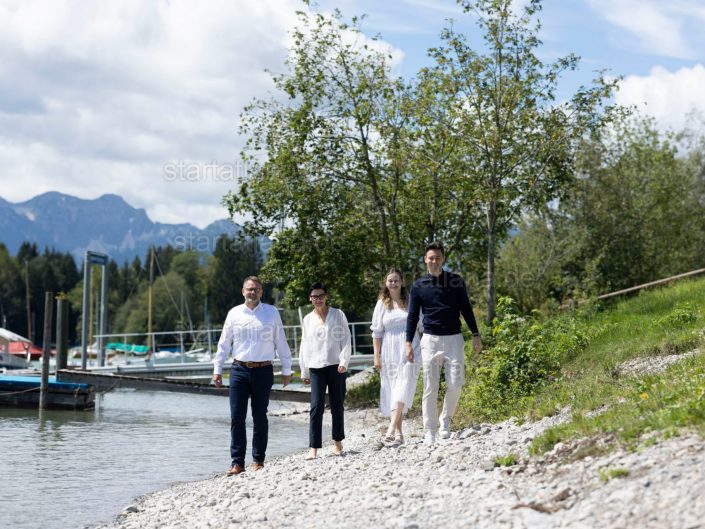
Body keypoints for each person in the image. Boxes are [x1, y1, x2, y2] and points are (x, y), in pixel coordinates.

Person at [212, 276, 292, 476]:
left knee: (260, 417)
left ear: (261, 292)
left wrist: (286, 369)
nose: (252, 292)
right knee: (237, 417)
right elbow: (224, 343)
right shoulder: (234, 313)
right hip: (239, 370)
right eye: (249, 289)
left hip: (263, 370)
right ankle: (237, 463)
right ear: (243, 291)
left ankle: (258, 460)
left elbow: (281, 341)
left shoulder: (271, 313)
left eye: (256, 289)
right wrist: (217, 369)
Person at [405, 242, 482, 445]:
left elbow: (466, 308)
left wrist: (475, 334)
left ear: (443, 259)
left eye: (437, 257)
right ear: (425, 260)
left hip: (454, 339)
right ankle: (429, 430)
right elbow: (412, 316)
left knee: (456, 383)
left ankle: (445, 421)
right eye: (431, 258)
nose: (434, 261)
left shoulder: (456, 281)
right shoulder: (418, 286)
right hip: (430, 340)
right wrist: (408, 342)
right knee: (430, 387)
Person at [299, 282, 351, 459]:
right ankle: (313, 447)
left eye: (321, 295)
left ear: (326, 296)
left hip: (336, 366)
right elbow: (304, 346)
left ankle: (337, 442)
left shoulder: (338, 314)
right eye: (315, 296)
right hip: (316, 367)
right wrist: (304, 371)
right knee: (316, 406)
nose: (318, 299)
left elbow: (346, 339)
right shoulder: (307, 319)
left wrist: (344, 361)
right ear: (310, 298)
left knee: (337, 405)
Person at [370, 268, 420, 445]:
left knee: (404, 386)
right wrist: (377, 356)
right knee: (392, 389)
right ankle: (399, 434)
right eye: (390, 280)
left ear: (402, 282)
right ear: (386, 283)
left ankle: (391, 428)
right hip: (389, 350)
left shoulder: (411, 301)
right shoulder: (381, 304)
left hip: (410, 347)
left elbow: (421, 323)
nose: (393, 283)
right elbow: (377, 332)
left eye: (396, 280)